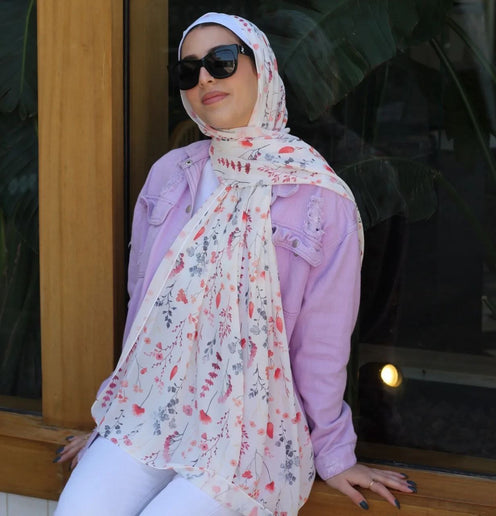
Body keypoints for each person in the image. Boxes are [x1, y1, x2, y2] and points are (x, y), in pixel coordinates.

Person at [54, 12, 417, 516]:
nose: (204, 78)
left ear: (261, 67)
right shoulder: (171, 175)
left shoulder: (319, 198)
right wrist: (110, 423)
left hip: (250, 432)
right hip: (150, 410)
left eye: (221, 61)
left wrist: (334, 454)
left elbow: (322, 345)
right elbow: (145, 311)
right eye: (188, 70)